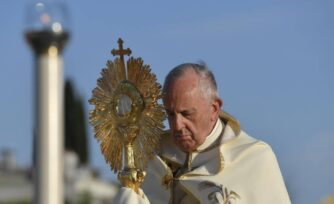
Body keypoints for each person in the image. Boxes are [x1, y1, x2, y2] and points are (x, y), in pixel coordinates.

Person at [114, 63, 291, 204]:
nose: (177, 125)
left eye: (186, 114)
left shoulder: (254, 159)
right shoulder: (151, 159)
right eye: (170, 114)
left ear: (214, 109)